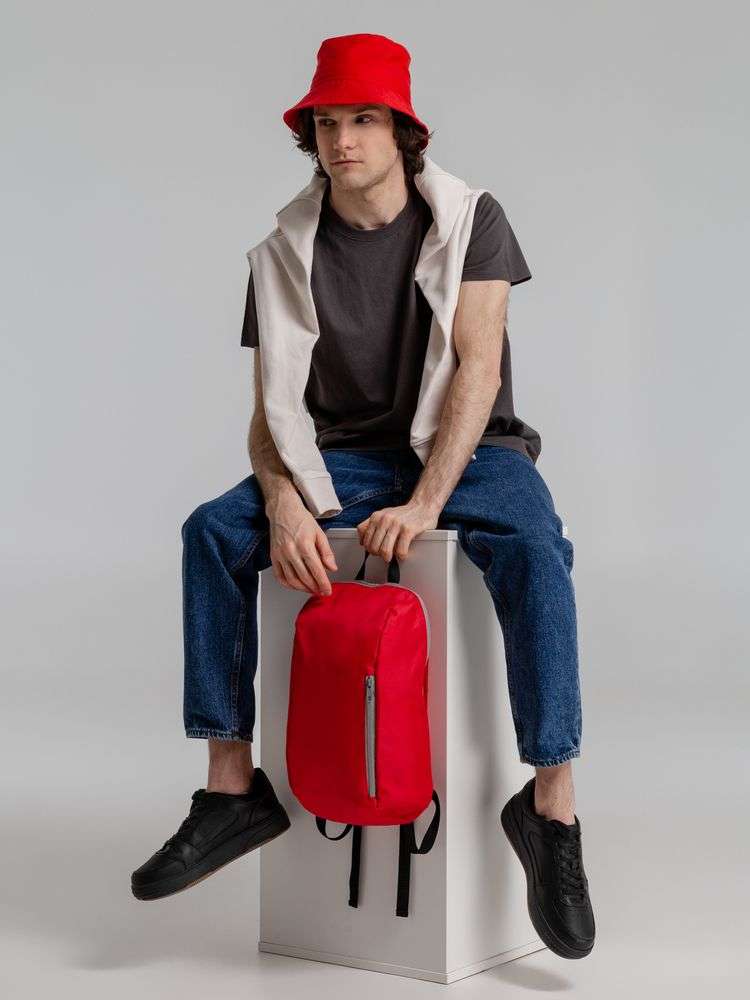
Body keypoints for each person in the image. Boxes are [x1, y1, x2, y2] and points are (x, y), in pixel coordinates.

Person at [131, 32, 595, 960]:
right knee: (211, 532)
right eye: (327, 123)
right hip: (342, 456)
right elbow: (270, 410)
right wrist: (284, 498)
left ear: (404, 132)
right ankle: (231, 789)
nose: (342, 140)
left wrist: (426, 503)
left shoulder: (471, 219)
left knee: (537, 547)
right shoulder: (281, 251)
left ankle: (552, 809)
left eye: (364, 119)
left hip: (471, 447)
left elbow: (477, 369)